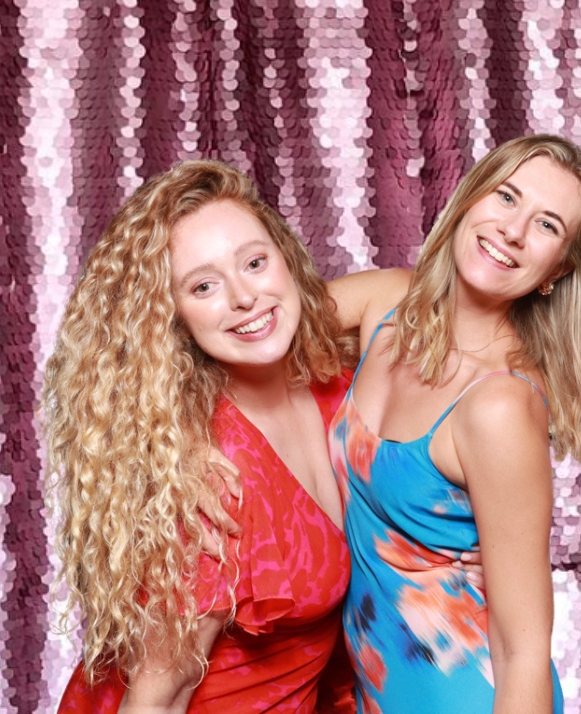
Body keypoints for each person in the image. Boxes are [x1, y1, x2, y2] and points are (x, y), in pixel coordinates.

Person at [326, 134, 581, 714]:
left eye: (546, 226)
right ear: (469, 200)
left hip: (463, 693)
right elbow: (255, 328)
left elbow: (523, 651)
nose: (513, 230)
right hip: (375, 690)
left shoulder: (499, 407)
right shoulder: (386, 304)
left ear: (556, 271)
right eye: (506, 197)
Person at [43, 160, 357, 713]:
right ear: (173, 319)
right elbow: (159, 698)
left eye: (255, 262)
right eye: (204, 285)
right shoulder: (212, 475)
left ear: (287, 260)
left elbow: (414, 293)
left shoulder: (337, 386)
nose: (244, 297)